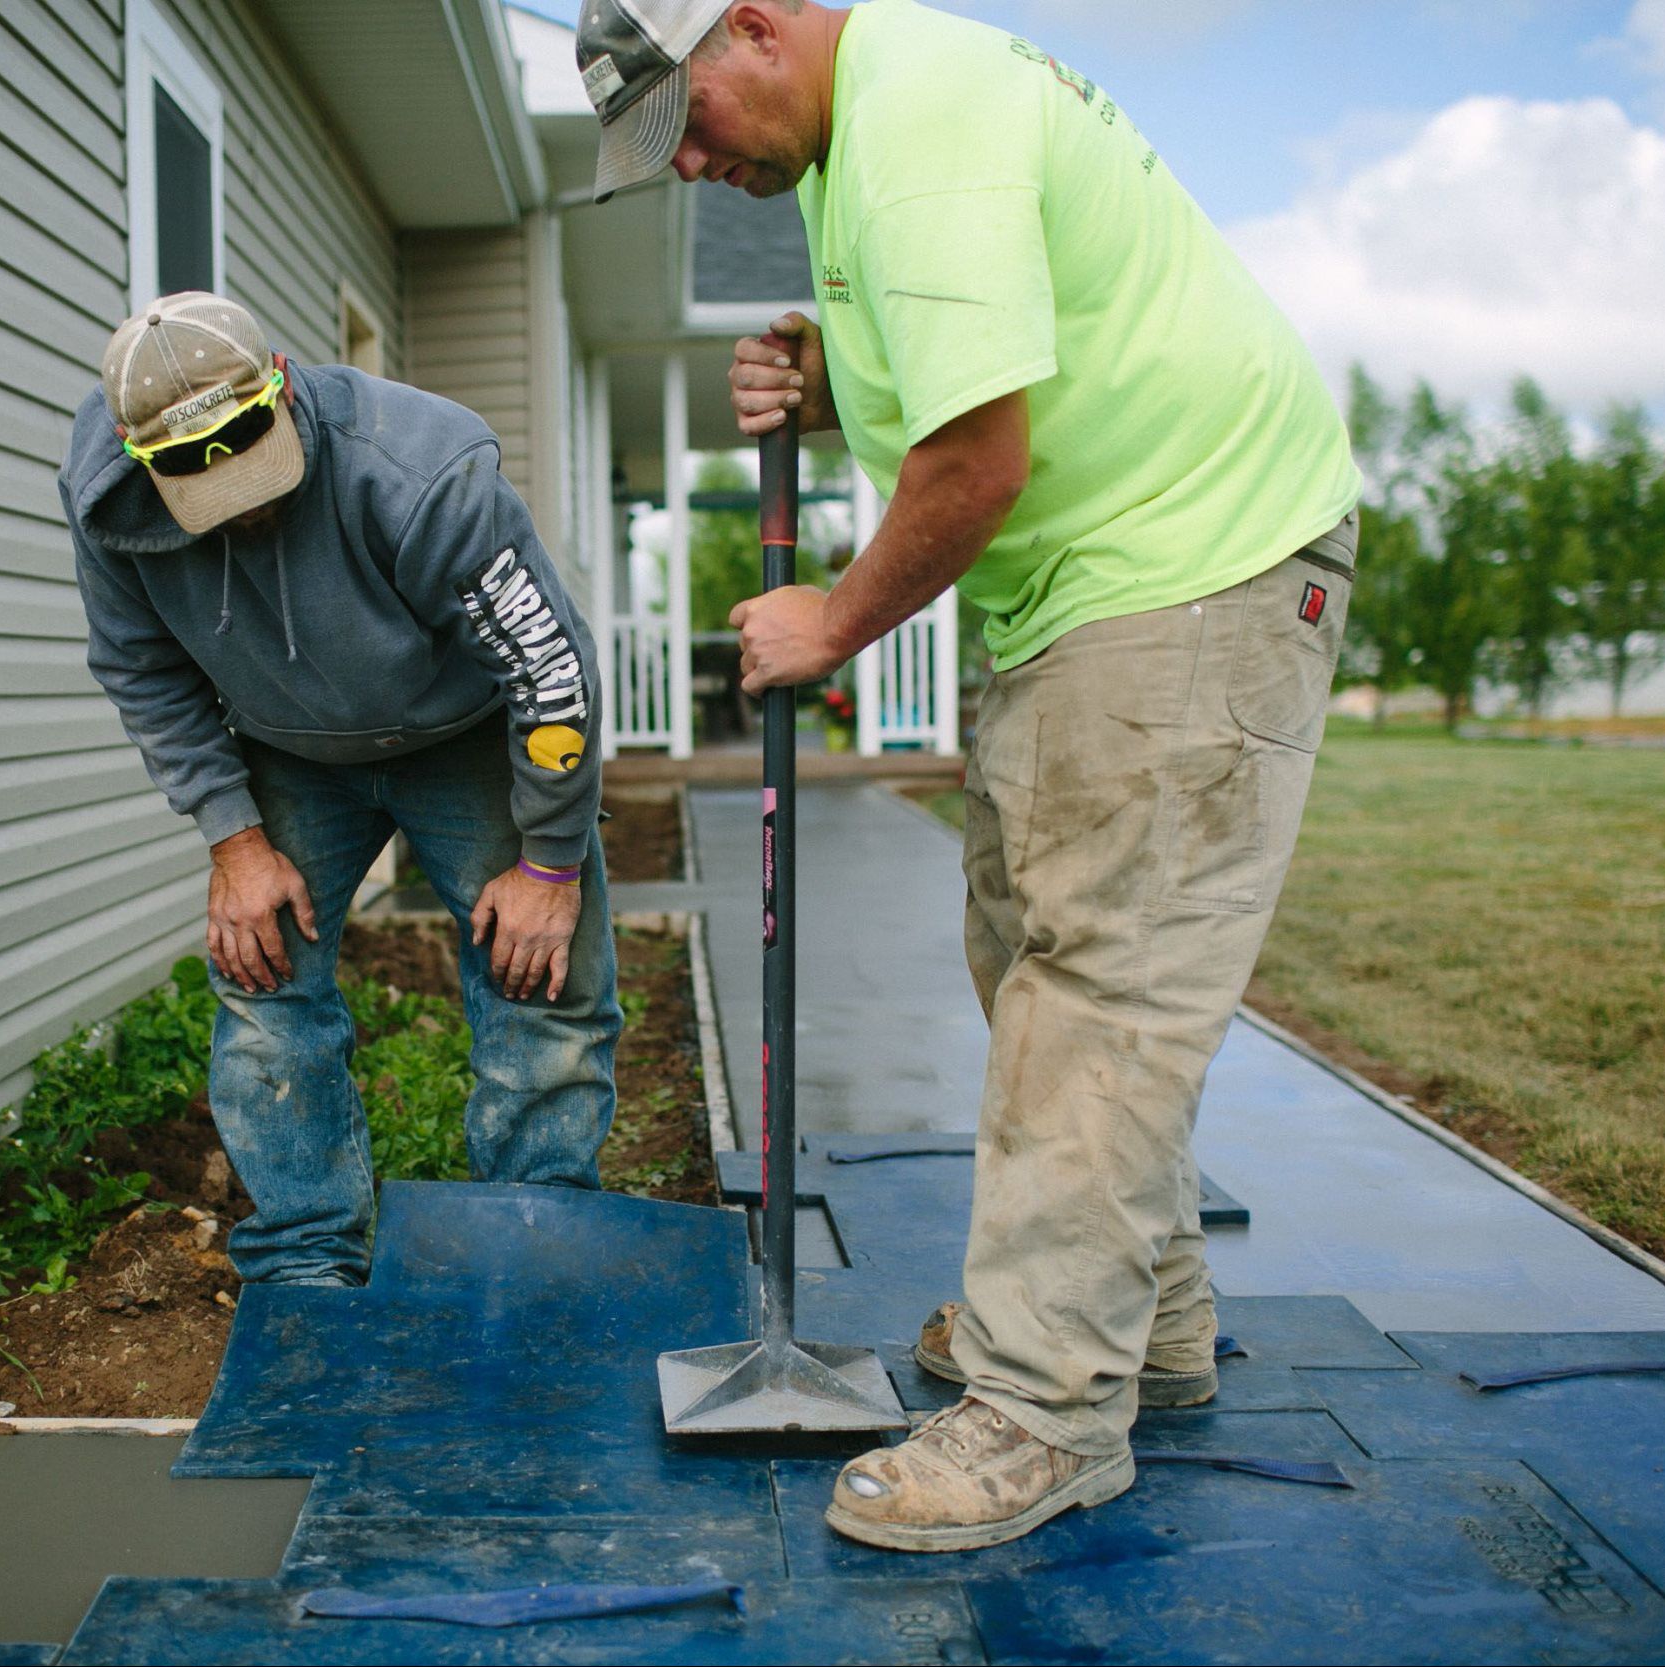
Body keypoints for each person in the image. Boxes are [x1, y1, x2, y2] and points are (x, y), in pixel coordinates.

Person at [577, 0, 1362, 1550]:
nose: (691, 168)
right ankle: (1146, 1327)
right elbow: (960, 372)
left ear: (753, 29)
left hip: (1186, 571)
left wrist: (833, 623)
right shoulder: (854, 140)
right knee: (1030, 953)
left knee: (1099, 994)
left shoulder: (917, 125)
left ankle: (1049, 1403)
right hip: (1092, 584)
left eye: (691, 125)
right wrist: (831, 382)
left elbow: (976, 461)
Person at [59, 291, 621, 1288]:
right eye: (204, 485)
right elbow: (141, 668)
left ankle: (535, 1236)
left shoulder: (418, 470)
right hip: (287, 748)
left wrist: (548, 863)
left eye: (253, 460)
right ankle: (305, 1256)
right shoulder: (108, 497)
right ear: (139, 455)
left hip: (462, 733)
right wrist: (234, 840)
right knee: (261, 975)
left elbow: (548, 669)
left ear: (279, 383)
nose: (245, 506)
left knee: (539, 971)